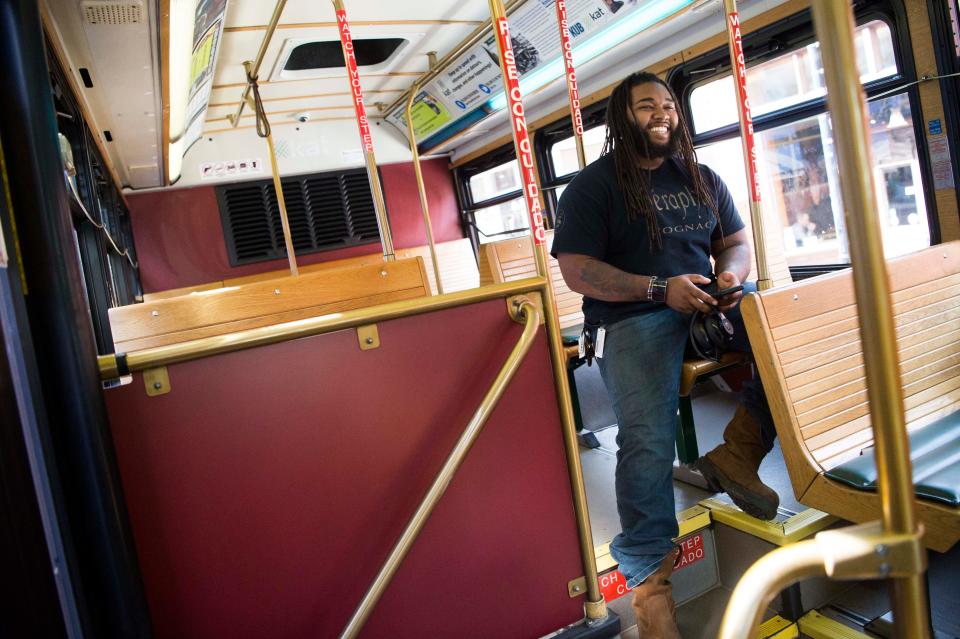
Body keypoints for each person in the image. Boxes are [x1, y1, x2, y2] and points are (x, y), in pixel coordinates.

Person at [551, 71, 779, 637]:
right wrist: (658, 289)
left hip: (706, 301)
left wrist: (730, 275)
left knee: (787, 344)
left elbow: (736, 242)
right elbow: (577, 271)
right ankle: (652, 590)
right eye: (646, 105)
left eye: (670, 105)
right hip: (633, 316)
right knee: (647, 439)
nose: (663, 114)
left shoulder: (701, 177)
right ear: (621, 118)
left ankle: (738, 455)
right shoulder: (594, 186)